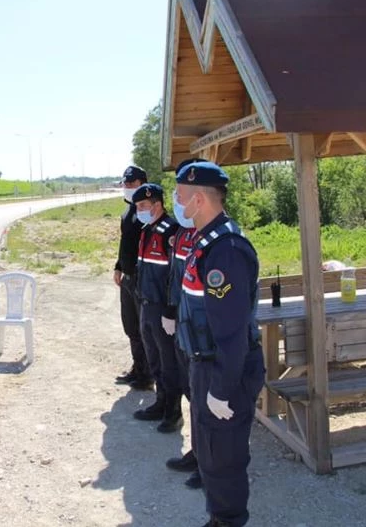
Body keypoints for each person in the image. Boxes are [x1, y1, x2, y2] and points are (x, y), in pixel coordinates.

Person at [175, 161, 266, 527]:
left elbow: (231, 332)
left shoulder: (225, 249)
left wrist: (223, 390)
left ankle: (228, 521)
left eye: (181, 198)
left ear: (199, 199)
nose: (177, 204)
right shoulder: (205, 240)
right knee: (210, 455)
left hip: (222, 369)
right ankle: (220, 518)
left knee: (223, 457)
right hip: (205, 364)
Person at [163, 158, 208, 490]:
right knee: (192, 394)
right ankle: (198, 453)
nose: (176, 202)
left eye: (181, 194)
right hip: (183, 326)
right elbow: (177, 279)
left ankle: (212, 468)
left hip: (204, 333)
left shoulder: (213, 238)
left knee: (207, 401)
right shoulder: (180, 235)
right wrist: (170, 311)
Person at [131, 183, 184, 433]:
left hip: (161, 308)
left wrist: (169, 310)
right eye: (138, 206)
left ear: (157, 205)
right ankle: (160, 402)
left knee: (168, 360)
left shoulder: (169, 231)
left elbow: (174, 275)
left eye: (143, 206)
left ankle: (173, 411)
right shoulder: (147, 230)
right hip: (146, 303)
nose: (139, 210)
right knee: (154, 357)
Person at [113, 166, 153, 390]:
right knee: (130, 326)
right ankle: (138, 368)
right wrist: (118, 267)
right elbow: (124, 243)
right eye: (125, 185)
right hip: (127, 276)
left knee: (144, 326)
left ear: (142, 183)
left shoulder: (147, 212)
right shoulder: (128, 211)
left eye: (131, 184)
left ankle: (147, 375)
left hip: (142, 277)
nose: (127, 188)